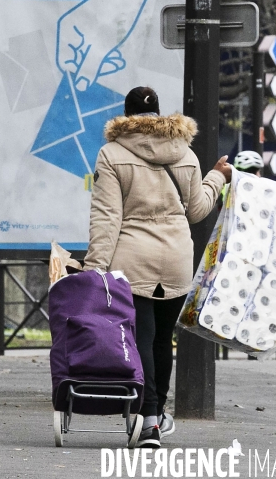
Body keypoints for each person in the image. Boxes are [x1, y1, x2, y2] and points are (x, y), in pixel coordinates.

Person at [84, 86, 232, 448]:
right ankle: (159, 415)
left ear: (126, 115)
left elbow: (107, 218)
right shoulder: (185, 153)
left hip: (133, 260)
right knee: (164, 340)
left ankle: (147, 418)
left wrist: (94, 269)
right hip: (177, 258)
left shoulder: (112, 153)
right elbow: (197, 210)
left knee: (141, 340)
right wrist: (217, 177)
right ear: (161, 114)